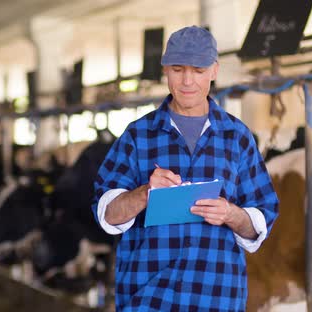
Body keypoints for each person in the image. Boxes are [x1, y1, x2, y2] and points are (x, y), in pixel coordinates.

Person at [91, 26, 279, 311]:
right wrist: (144, 193)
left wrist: (231, 213)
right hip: (148, 297)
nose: (188, 80)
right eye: (178, 69)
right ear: (165, 69)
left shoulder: (237, 136)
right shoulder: (137, 135)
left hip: (216, 297)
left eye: (199, 70)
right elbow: (106, 214)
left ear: (214, 71)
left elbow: (261, 220)